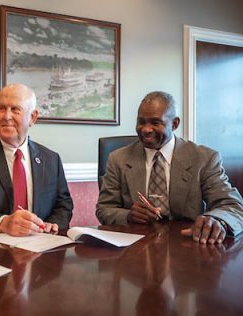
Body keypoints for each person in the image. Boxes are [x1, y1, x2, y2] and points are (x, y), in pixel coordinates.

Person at [97, 91, 243, 244]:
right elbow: (104, 209)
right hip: (136, 246)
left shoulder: (204, 158)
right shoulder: (118, 158)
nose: (146, 129)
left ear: (175, 124)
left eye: (155, 122)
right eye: (141, 122)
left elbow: (232, 205)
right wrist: (128, 216)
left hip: (188, 246)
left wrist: (216, 220)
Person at [0, 83, 73, 236]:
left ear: (33, 117)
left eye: (15, 109)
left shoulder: (51, 159)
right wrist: (3, 223)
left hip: (40, 245)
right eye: (1, 109)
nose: (6, 116)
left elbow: (63, 205)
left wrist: (51, 225)